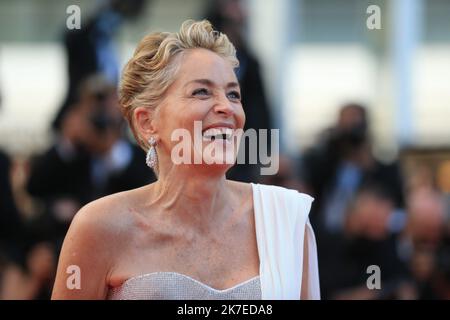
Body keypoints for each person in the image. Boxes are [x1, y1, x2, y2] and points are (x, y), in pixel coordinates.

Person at [51, 20, 319, 300]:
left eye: (233, 94)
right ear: (147, 123)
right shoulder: (99, 227)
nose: (226, 107)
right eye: (201, 91)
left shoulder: (285, 220)